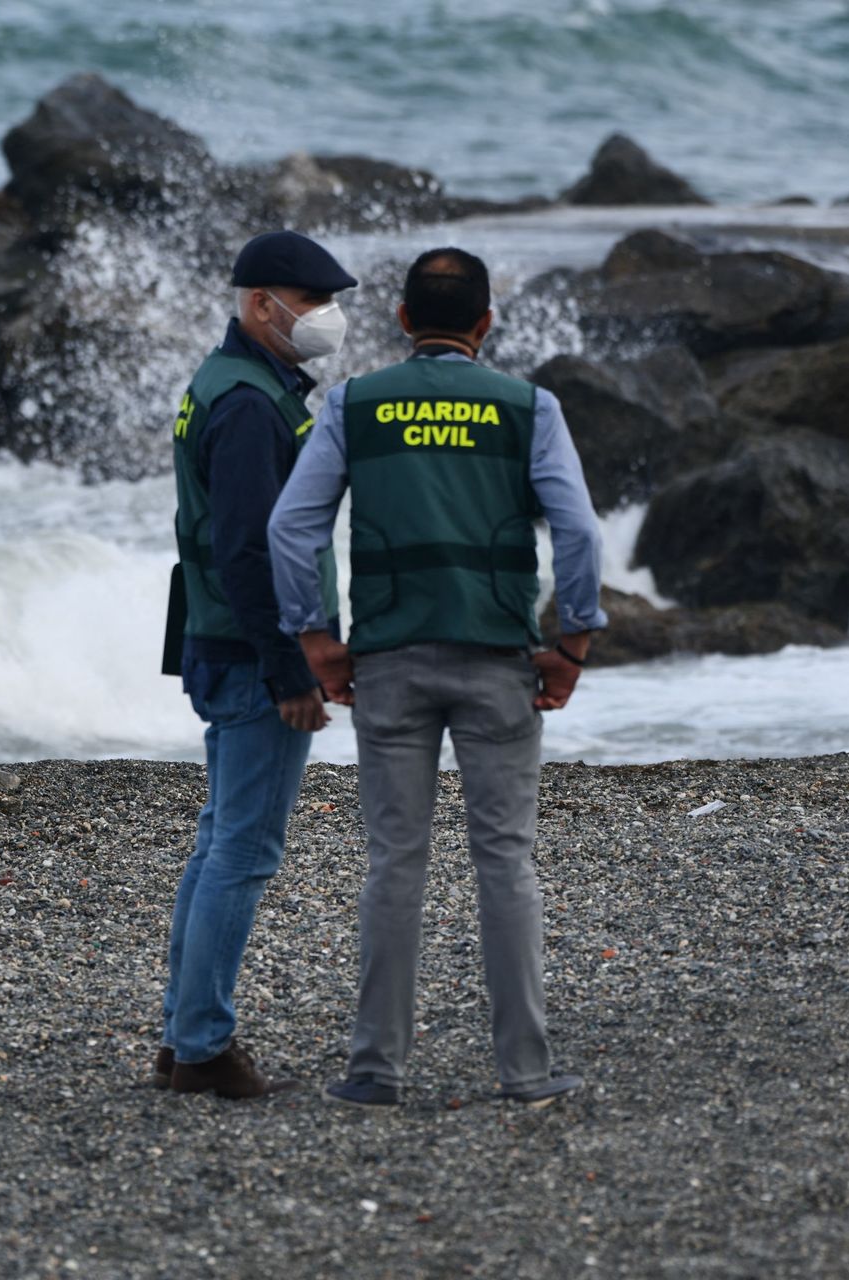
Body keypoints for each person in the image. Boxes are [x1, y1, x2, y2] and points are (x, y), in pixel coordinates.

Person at [267, 246, 606, 1109]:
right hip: (498, 662)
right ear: (485, 325)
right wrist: (572, 645)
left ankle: (376, 1072)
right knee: (506, 862)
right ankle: (526, 1073)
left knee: (395, 864)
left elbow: (292, 527)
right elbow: (579, 535)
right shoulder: (530, 407)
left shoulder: (354, 404)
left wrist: (315, 637)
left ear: (405, 321)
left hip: (387, 662)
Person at [155, 230, 358, 1100]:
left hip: (221, 639)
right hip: (249, 651)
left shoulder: (234, 383)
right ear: (259, 305)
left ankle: (182, 1034)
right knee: (243, 848)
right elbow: (246, 551)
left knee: (218, 842)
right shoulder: (246, 404)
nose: (325, 319)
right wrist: (288, 669)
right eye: (310, 304)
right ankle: (202, 1045)